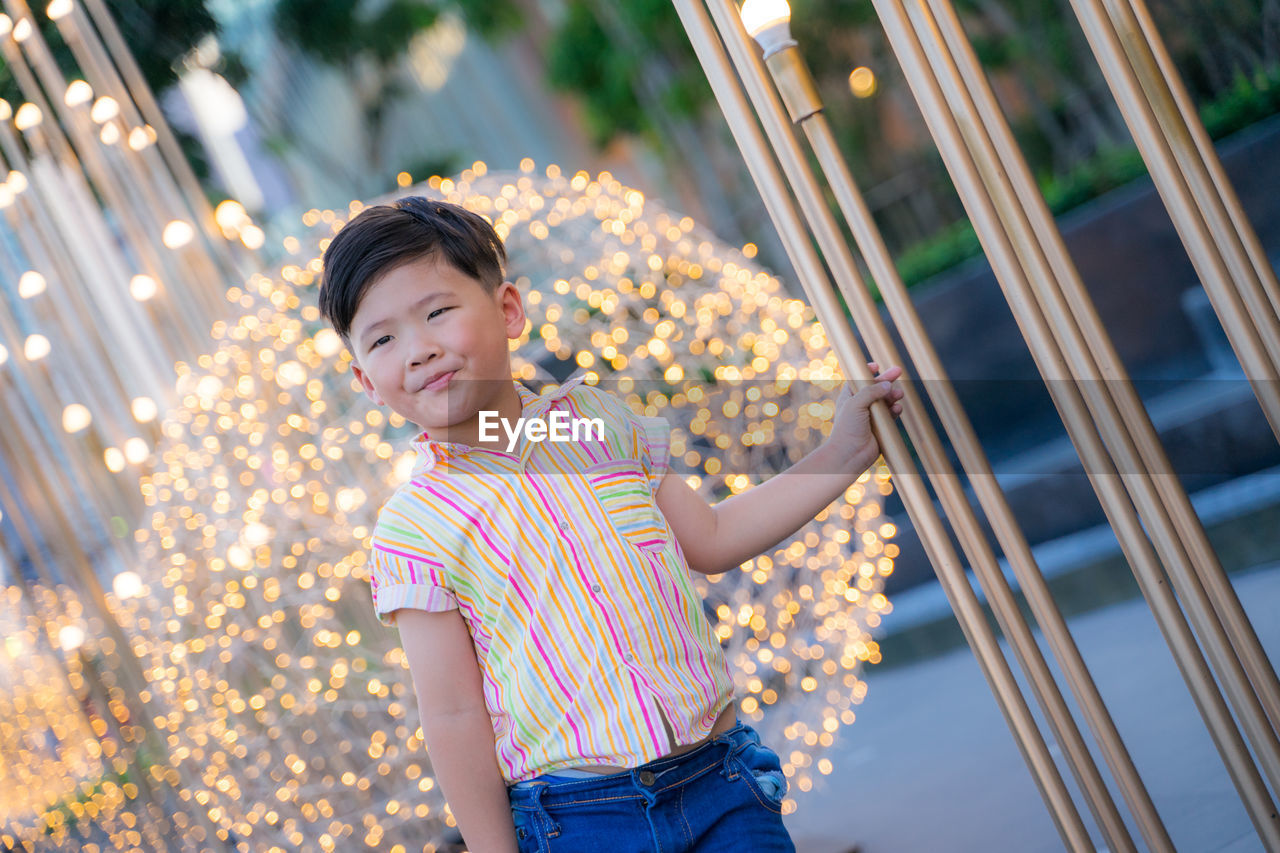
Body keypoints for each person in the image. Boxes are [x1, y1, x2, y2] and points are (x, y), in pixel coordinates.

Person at [319, 197, 904, 853]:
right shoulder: (413, 527)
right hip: (579, 818)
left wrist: (845, 453)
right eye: (383, 338)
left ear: (508, 309)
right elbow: (452, 713)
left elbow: (709, 537)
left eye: (437, 312)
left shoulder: (598, 423)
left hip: (719, 780)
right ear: (366, 379)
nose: (419, 349)